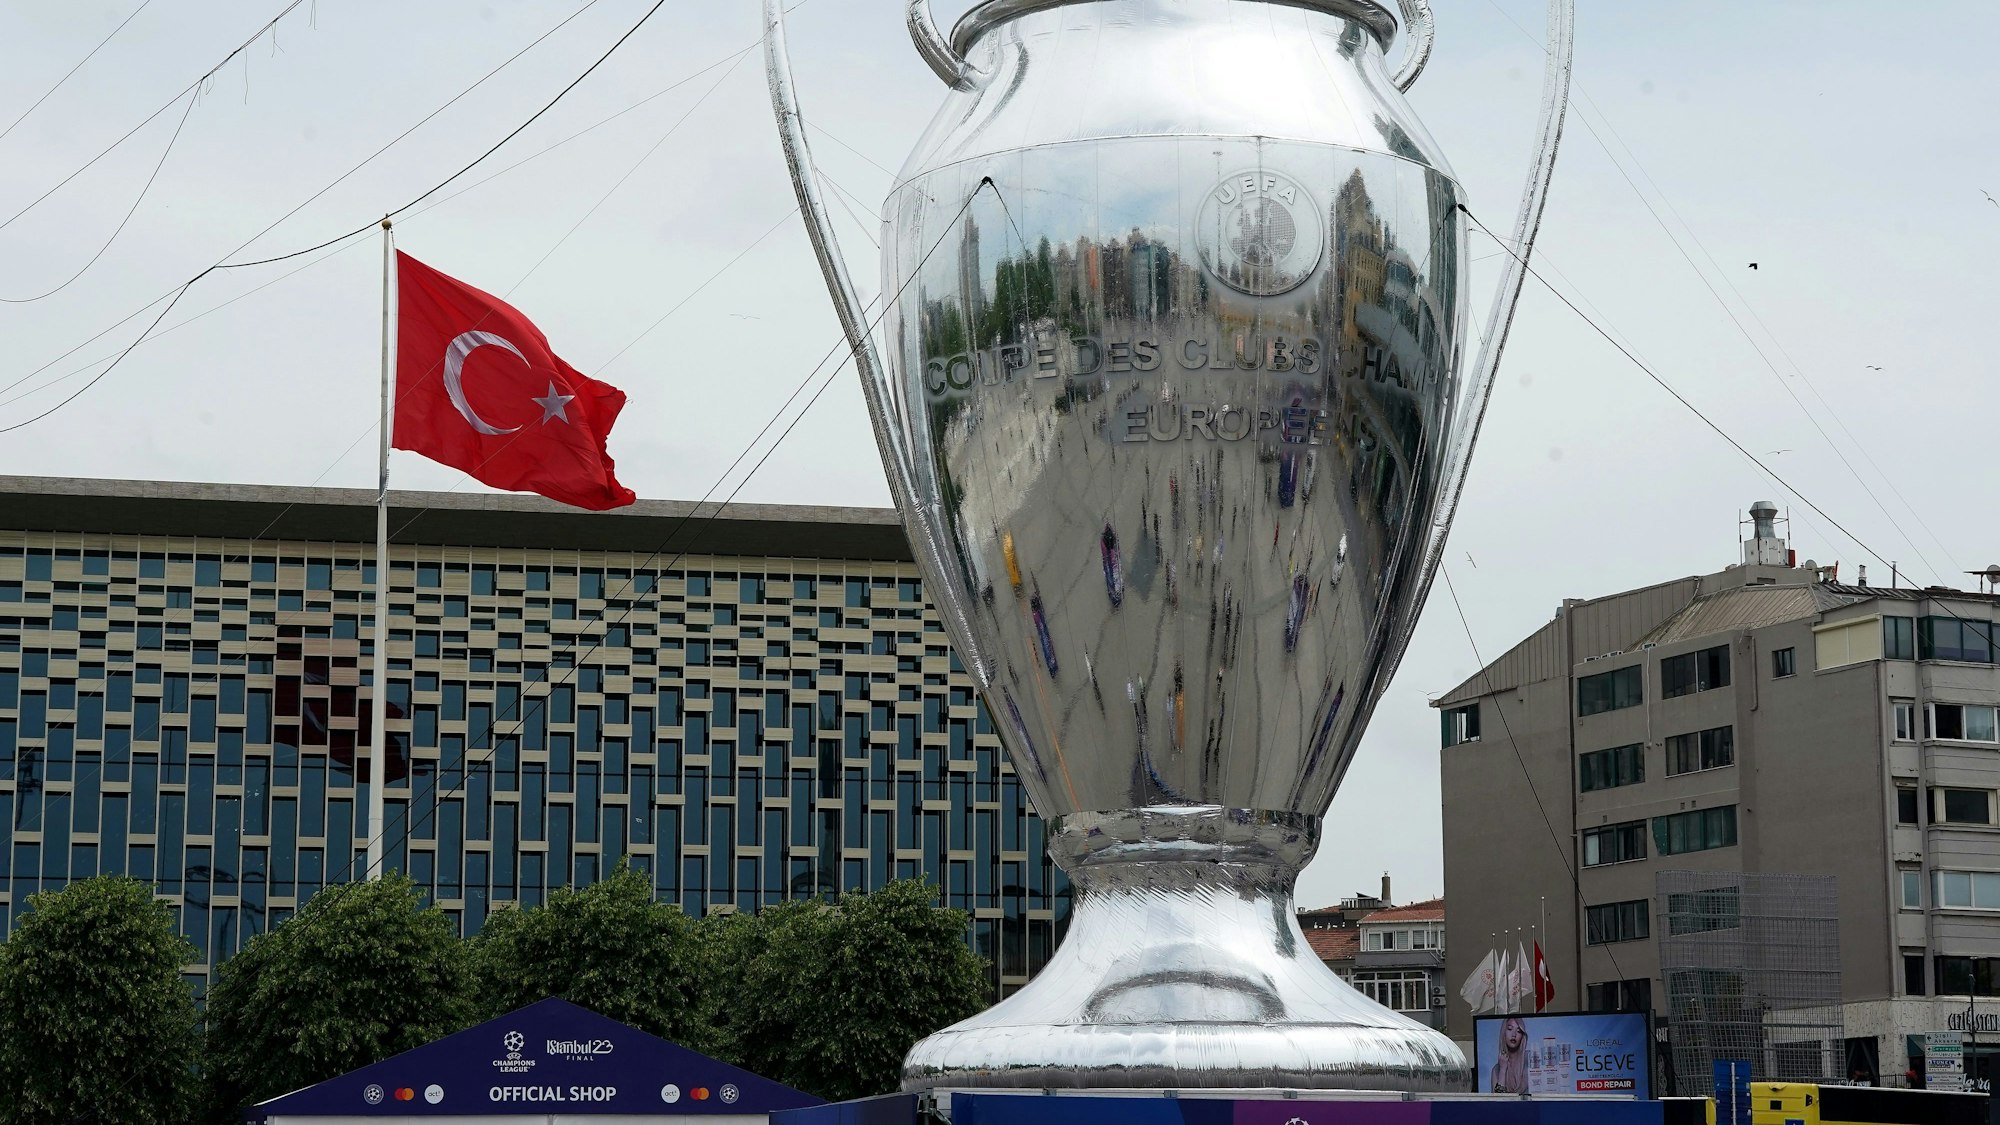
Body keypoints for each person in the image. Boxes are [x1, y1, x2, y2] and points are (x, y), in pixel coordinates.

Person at [1491, 1016, 1529, 1093]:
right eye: (1510, 1029)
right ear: (1503, 1033)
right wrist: (1503, 1070)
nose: (1514, 1034)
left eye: (1518, 1031)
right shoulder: (1496, 1070)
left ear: (1522, 1036)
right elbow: (1497, 1101)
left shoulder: (1531, 1060)